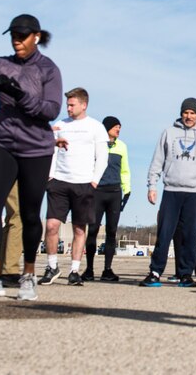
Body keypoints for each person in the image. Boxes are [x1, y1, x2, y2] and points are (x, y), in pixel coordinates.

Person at [0, 14, 62, 300]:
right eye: (13, 36)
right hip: (3, 143)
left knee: (31, 213)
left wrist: (20, 95)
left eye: (22, 36)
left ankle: (28, 277)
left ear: (36, 37)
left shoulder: (48, 69)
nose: (17, 41)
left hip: (36, 148)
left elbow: (51, 110)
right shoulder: (1, 62)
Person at [140, 98, 196, 288]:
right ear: (181, 113)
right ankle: (155, 271)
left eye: (192, 113)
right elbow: (157, 160)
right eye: (186, 112)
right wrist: (152, 185)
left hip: (194, 193)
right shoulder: (169, 133)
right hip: (171, 190)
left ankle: (186, 274)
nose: (189, 116)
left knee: (190, 235)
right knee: (165, 232)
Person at [40, 88, 108, 286]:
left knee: (79, 229)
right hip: (59, 181)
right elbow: (50, 152)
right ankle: (52, 266)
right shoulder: (59, 125)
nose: (68, 108)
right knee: (52, 225)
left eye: (72, 104)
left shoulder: (95, 127)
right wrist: (50, 177)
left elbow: (102, 157)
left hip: (84, 183)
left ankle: (74, 270)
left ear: (83, 105)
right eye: (67, 105)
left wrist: (94, 181)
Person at [83, 115, 131, 282]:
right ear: (107, 128)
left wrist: (127, 190)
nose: (118, 129)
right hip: (97, 192)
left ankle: (107, 270)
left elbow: (124, 170)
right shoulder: (97, 145)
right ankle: (88, 269)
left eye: (120, 127)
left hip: (115, 192)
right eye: (115, 126)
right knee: (93, 229)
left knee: (112, 231)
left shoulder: (122, 147)